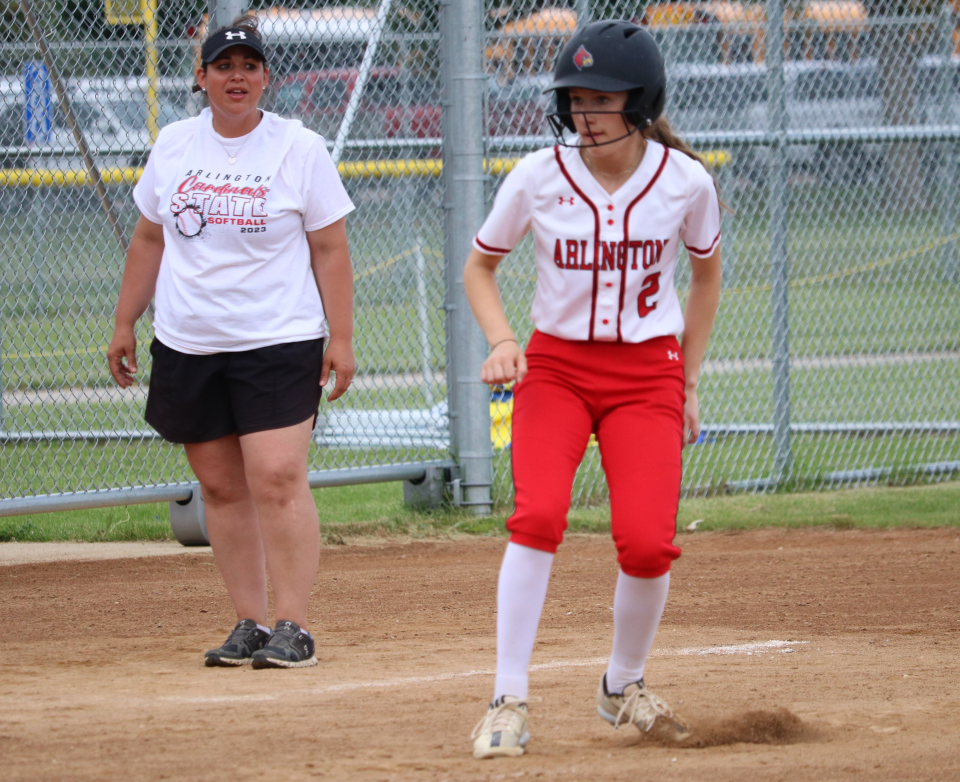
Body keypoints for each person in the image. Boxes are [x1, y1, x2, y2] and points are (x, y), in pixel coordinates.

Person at [464, 21, 722, 758]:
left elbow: (705, 279)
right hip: (557, 368)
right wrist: (505, 340)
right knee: (537, 515)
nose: (585, 114)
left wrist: (690, 379)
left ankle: (622, 685)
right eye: (576, 99)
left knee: (647, 543)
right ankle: (507, 697)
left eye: (602, 99)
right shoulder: (539, 175)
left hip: (649, 375)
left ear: (641, 102)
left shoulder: (685, 181)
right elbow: (479, 267)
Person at [106, 15, 356, 669]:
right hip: (190, 339)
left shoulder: (299, 148)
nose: (236, 77)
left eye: (248, 66)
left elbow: (329, 247)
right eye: (224, 66)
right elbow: (150, 238)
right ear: (203, 77)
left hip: (279, 338)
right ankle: (248, 620)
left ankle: (294, 624)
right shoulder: (175, 144)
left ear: (265, 77)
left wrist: (342, 337)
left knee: (275, 476)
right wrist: (124, 320)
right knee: (219, 487)